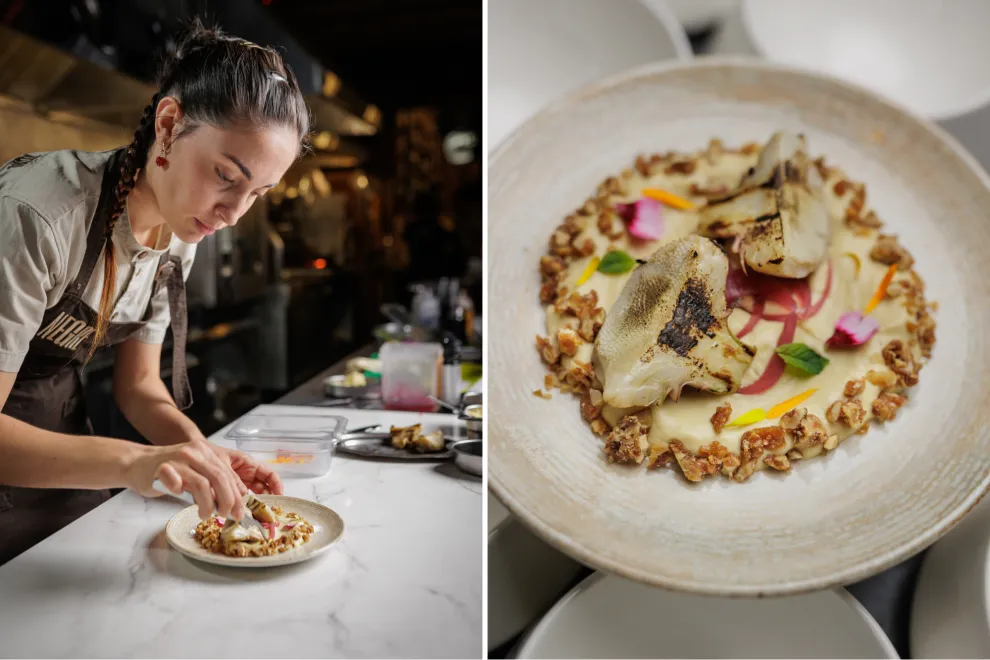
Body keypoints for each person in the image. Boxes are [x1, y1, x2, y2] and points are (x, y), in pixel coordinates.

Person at [0, 21, 309, 565]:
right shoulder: (39, 216)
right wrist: (131, 464)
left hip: (66, 468)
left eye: (256, 193)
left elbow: (139, 386)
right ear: (168, 126)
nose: (233, 214)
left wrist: (201, 454)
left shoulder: (177, 237)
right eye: (224, 175)